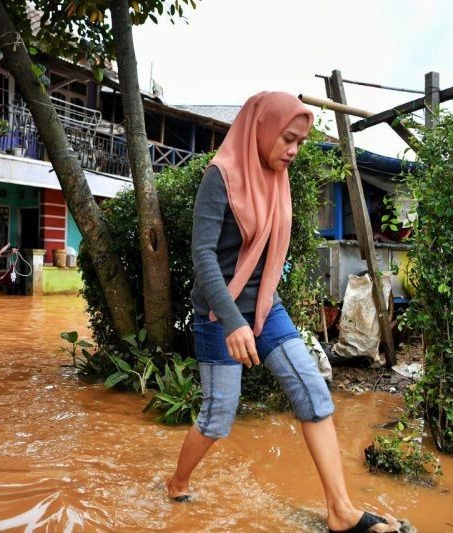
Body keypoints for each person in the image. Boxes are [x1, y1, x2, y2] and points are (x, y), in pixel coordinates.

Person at [165, 92, 404, 533]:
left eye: (299, 143)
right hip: (219, 313)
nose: (293, 150)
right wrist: (233, 321)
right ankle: (177, 482)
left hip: (266, 308)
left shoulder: (278, 179)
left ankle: (340, 511)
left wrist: (253, 314)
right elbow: (202, 257)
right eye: (288, 139)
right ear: (262, 130)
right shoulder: (220, 177)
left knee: (313, 391)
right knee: (219, 415)